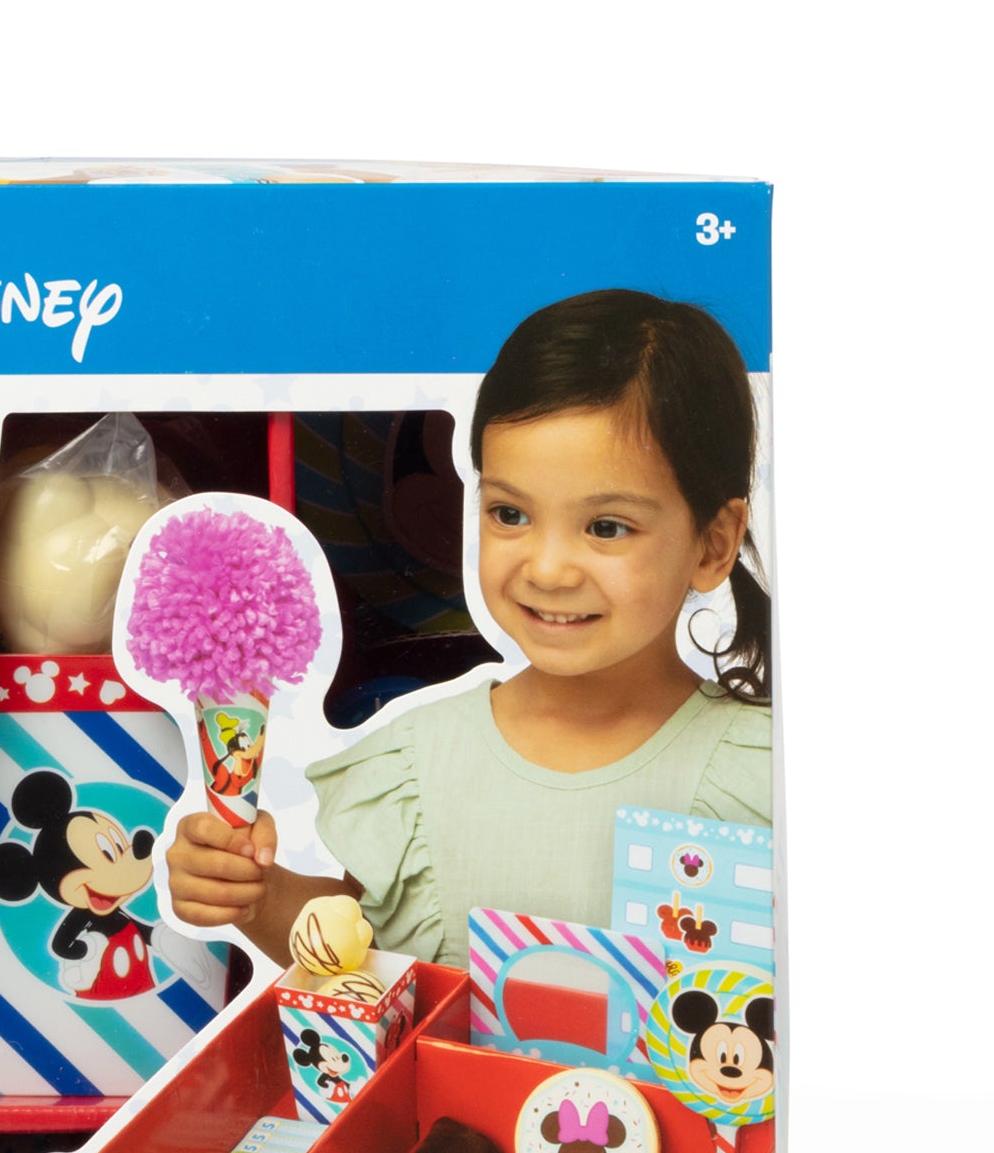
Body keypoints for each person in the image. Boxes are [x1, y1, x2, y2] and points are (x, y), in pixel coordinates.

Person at [165, 289, 773, 969]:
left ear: (713, 544)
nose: (548, 569)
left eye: (606, 527)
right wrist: (254, 895)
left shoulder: (764, 774)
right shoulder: (417, 767)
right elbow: (357, 952)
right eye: (510, 514)